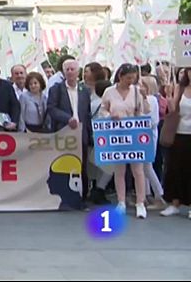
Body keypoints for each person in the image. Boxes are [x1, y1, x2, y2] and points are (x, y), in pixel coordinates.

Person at [99, 63, 150, 218]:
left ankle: (140, 202)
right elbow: (102, 110)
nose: (130, 81)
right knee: (119, 170)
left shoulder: (136, 91)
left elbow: (145, 112)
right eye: (128, 78)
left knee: (138, 170)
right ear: (120, 76)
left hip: (133, 134)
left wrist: (145, 96)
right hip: (116, 135)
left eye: (133, 78)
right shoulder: (109, 91)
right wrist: (109, 116)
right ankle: (121, 201)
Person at [47, 58, 92, 204]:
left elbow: (88, 114)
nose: (70, 72)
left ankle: (83, 197)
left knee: (82, 166)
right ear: (63, 72)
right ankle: (64, 197)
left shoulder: (84, 91)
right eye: (68, 70)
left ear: (78, 72)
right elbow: (52, 109)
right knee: (63, 164)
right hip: (64, 133)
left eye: (73, 69)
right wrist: (68, 119)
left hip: (81, 135)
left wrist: (90, 135)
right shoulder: (56, 89)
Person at [159, 68, 191, 219]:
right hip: (178, 133)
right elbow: (172, 110)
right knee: (175, 168)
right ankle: (175, 203)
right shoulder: (180, 88)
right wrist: (170, 97)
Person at [140, 76, 167, 210]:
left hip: (147, 136)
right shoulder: (152, 99)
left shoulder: (150, 99)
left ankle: (158, 195)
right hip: (145, 135)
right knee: (143, 166)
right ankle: (145, 195)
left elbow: (152, 120)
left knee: (147, 166)